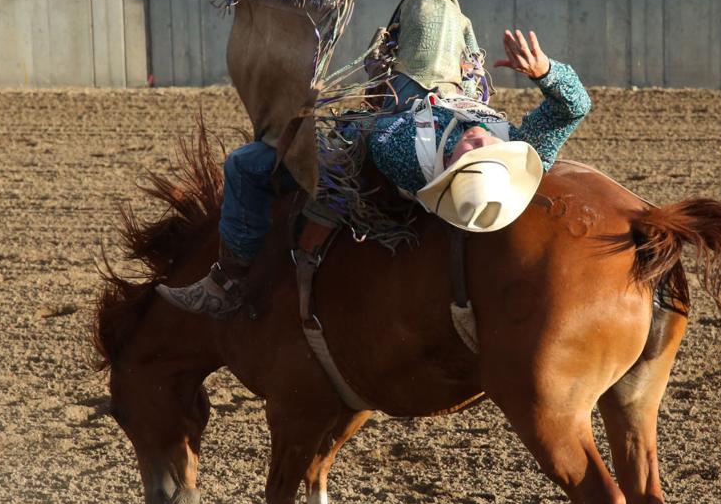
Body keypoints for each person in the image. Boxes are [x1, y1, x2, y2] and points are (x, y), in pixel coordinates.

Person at [156, 27, 590, 319]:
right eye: (487, 148)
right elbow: (574, 106)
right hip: (429, 98)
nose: (478, 137)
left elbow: (376, 126)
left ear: (448, 169)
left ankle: (230, 279)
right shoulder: (518, 147)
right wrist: (546, 73)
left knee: (245, 165)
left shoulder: (406, 152)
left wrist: (378, 80)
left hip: (362, 145)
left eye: (469, 150)